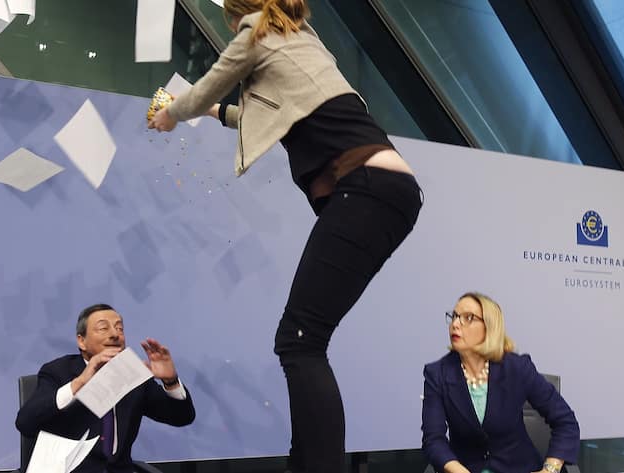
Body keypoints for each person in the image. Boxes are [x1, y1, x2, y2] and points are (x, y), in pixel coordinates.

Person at [148, 1, 422, 472]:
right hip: (390, 192)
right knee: (305, 339)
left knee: (300, 340)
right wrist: (212, 113)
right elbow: (267, 117)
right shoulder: (298, 38)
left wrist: (173, 112)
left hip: (364, 187)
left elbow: (211, 81)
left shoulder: (256, 31)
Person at [15, 304, 195, 473]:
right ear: (82, 341)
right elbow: (26, 423)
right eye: (103, 328)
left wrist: (170, 381)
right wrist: (80, 383)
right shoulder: (58, 371)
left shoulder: (132, 375)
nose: (115, 334)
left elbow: (181, 417)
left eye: (119, 329)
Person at [421, 292, 580, 473]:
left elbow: (565, 422)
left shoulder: (517, 368)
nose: (455, 324)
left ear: (489, 327)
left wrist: (549, 469)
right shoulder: (437, 374)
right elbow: (433, 440)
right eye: (454, 316)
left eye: (468, 318)